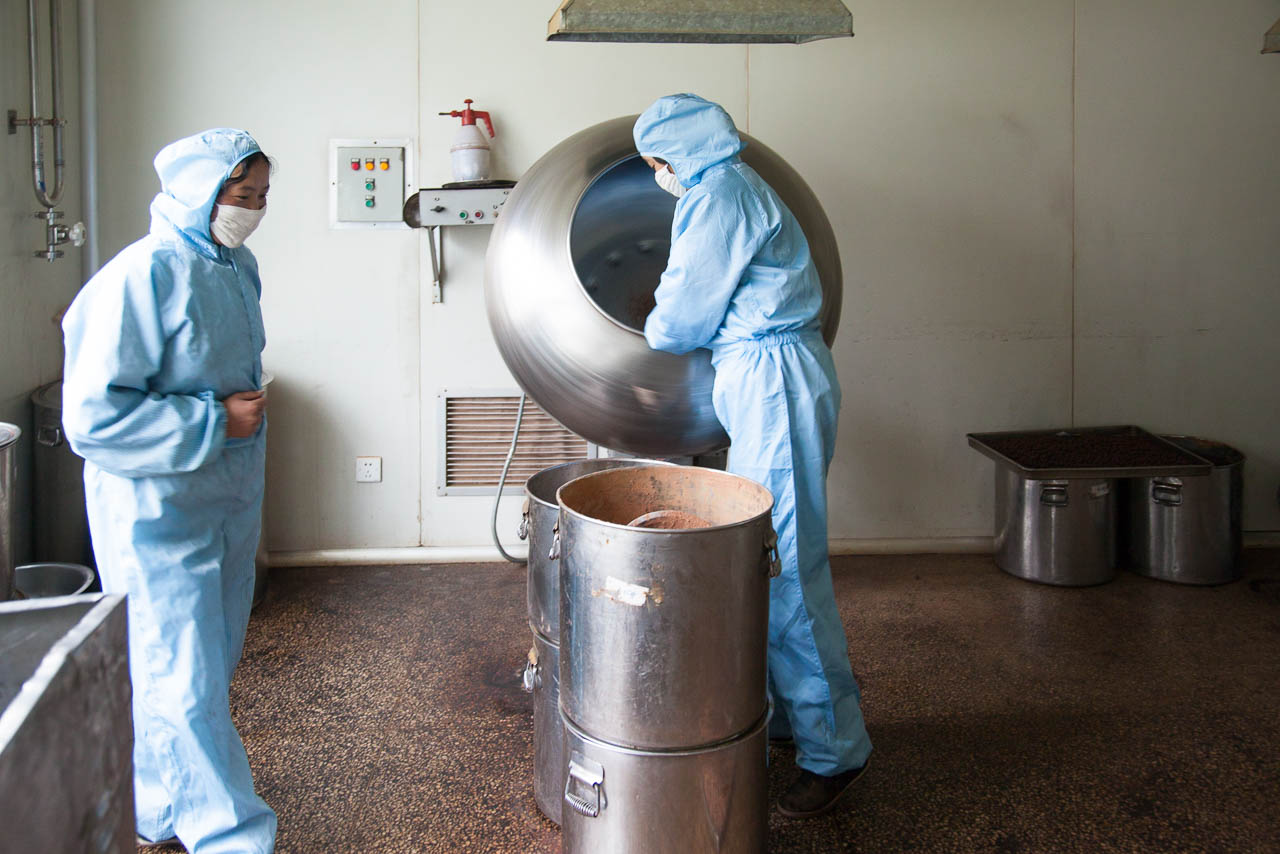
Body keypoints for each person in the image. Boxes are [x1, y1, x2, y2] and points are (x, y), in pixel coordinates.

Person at [635, 94, 873, 818]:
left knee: (788, 567)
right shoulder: (730, 186)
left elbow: (681, 317)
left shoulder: (719, 196)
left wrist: (652, 324)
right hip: (764, 376)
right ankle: (796, 725)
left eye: (656, 165)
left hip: (773, 379)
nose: (658, 177)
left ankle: (836, 754)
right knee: (768, 559)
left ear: (673, 155)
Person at [61, 128, 276, 853]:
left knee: (198, 669)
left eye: (262, 197)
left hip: (219, 499)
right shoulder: (142, 274)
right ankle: (231, 836)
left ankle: (157, 807)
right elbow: (93, 417)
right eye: (241, 196)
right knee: (181, 680)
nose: (253, 210)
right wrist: (216, 419)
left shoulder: (234, 265)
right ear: (198, 191)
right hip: (158, 510)